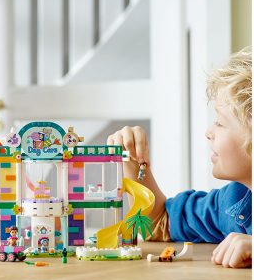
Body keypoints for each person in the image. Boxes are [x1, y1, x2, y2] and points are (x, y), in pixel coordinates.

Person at [108, 47, 252, 268]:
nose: (209, 132)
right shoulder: (234, 201)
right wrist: (134, 162)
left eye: (220, 123)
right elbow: (159, 224)